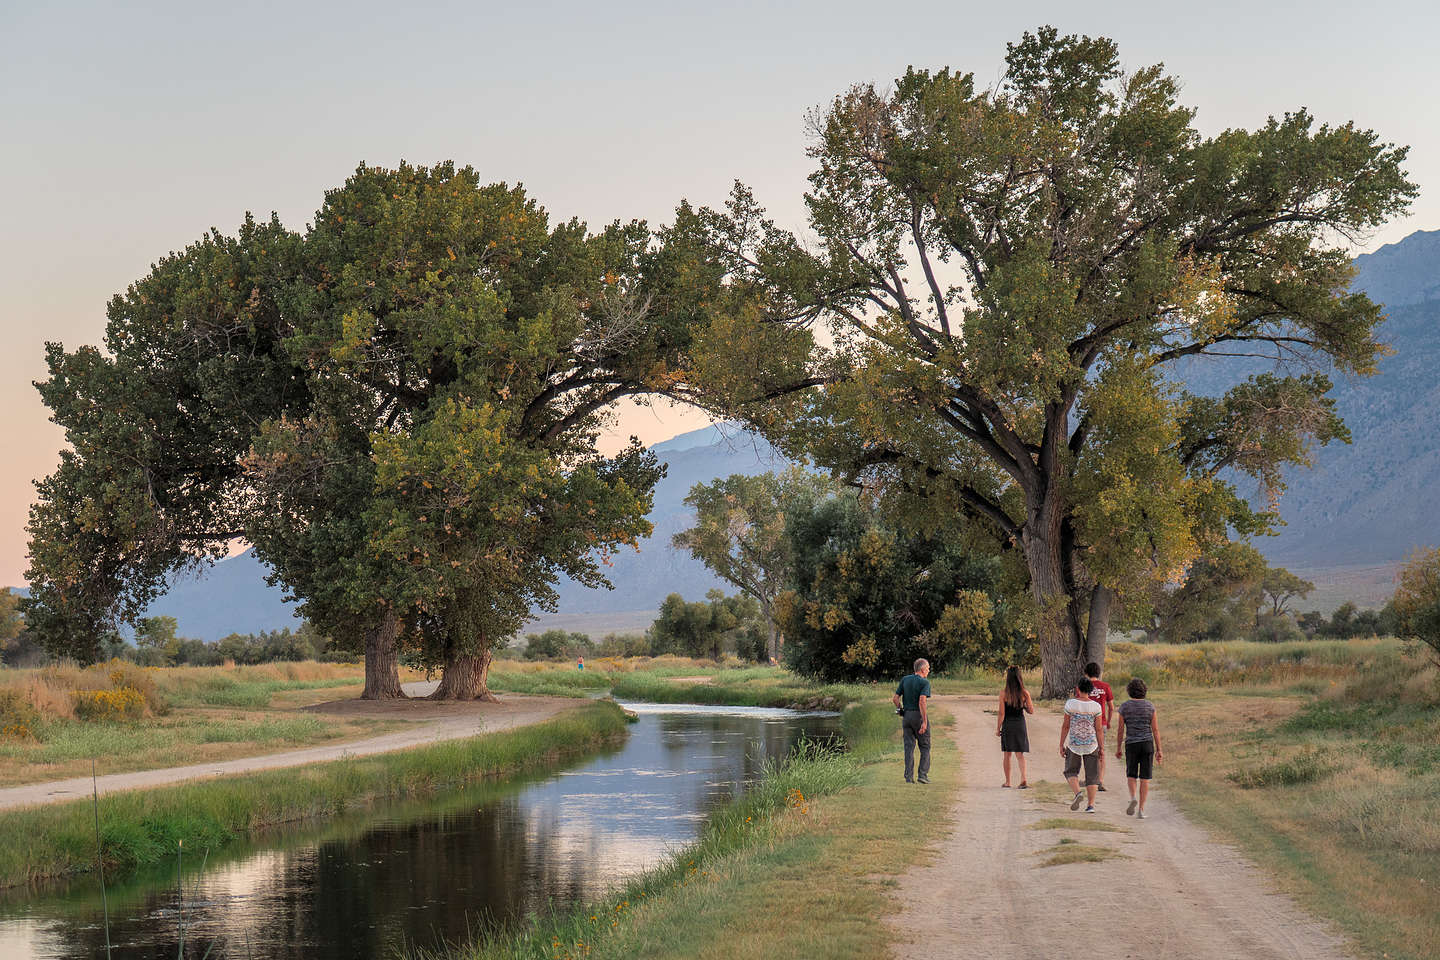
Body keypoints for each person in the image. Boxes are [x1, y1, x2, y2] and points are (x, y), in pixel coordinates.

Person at [1114, 677, 1163, 819]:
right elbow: (1155, 730)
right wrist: (1159, 750)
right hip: (1147, 744)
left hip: (1131, 744)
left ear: (1129, 691)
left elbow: (1120, 730)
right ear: (1144, 691)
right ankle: (1141, 810)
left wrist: (1118, 748)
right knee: (1145, 778)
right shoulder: (1150, 707)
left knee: (1131, 774)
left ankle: (1133, 797)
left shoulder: (1124, 707)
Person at [1059, 677, 1103, 812]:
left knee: (1070, 771)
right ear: (1090, 690)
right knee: (1092, 775)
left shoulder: (1070, 704)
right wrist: (1101, 748)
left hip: (1074, 744)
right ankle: (1091, 805)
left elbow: (1066, 726)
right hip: (1091, 744)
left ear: (1078, 689)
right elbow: (1099, 729)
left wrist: (1061, 744)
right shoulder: (1096, 706)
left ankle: (1078, 793)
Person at [892, 658, 932, 784]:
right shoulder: (924, 683)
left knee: (909, 747)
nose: (929, 670)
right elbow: (922, 701)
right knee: (925, 746)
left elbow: (895, 699)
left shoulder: (905, 680)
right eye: (928, 668)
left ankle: (909, 777)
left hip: (907, 716)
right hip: (918, 716)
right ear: (922, 669)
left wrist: (900, 710)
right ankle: (922, 775)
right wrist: (924, 721)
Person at [995, 665, 1034, 788]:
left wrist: (998, 728)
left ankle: (1008, 782)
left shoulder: (1003, 694)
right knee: (1020, 754)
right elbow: (1031, 711)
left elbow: (1002, 713)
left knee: (1007, 754)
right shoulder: (1024, 693)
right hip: (1020, 724)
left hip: (1008, 724)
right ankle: (1023, 778)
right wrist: (1024, 705)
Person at [1084, 662, 1114, 791]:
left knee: (1088, 752)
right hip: (1101, 723)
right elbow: (1111, 707)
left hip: (1087, 723)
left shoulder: (1083, 687)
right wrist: (1109, 721)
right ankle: (1100, 780)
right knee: (1101, 751)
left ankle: (1090, 779)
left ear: (1086, 673)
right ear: (1099, 673)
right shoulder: (1105, 687)